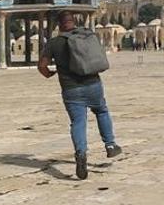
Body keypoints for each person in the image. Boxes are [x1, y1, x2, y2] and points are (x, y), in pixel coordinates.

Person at [38, 11, 122, 180]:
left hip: (71, 90)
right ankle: (110, 145)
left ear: (59, 25)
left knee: (78, 122)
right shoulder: (87, 36)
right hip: (93, 84)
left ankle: (81, 154)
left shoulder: (54, 43)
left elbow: (42, 66)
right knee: (101, 111)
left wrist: (49, 73)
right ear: (73, 22)